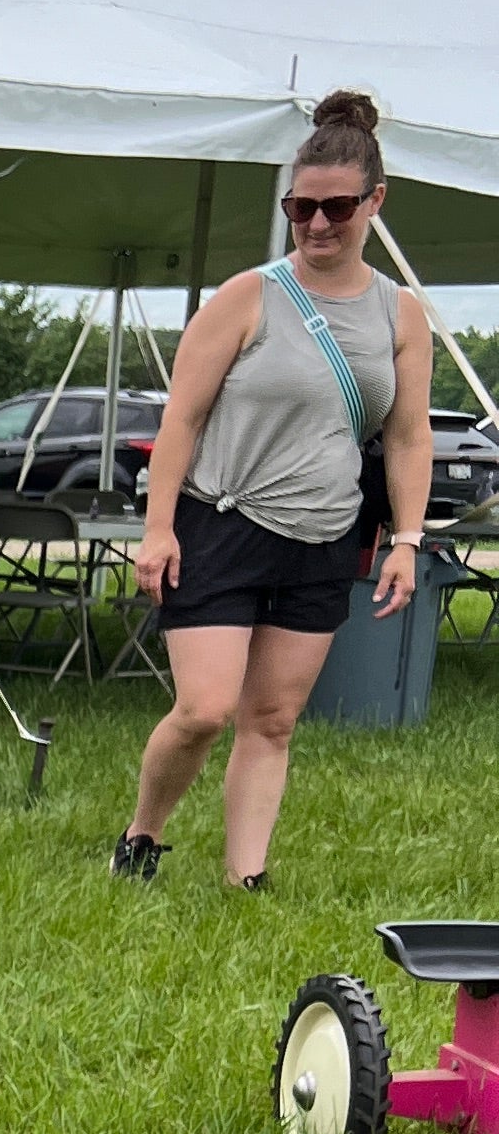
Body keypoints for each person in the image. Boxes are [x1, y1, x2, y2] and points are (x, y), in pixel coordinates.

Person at [115, 86, 433, 890]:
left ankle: (244, 881)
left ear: (375, 202)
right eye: (301, 209)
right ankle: (142, 837)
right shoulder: (248, 296)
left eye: (337, 208)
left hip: (325, 534)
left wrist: (406, 540)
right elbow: (180, 422)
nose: (319, 225)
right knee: (206, 710)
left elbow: (406, 435)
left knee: (273, 719)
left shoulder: (402, 316)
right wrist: (159, 528)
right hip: (221, 522)